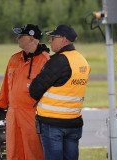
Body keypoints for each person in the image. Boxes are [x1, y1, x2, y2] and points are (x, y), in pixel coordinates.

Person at [29, 24, 90, 160]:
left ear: (63, 39)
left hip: (53, 124)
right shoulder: (82, 61)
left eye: (53, 37)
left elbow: (34, 90)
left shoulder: (58, 61)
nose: (50, 41)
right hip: (74, 123)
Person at [0, 24, 50, 160]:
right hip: (13, 116)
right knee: (13, 154)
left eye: (20, 36)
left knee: (34, 153)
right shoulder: (14, 59)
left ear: (31, 38)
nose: (17, 39)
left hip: (33, 117)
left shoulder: (46, 60)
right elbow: (5, 87)